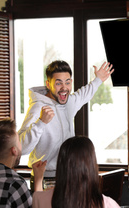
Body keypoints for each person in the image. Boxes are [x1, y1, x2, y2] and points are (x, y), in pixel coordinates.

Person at [18, 60, 114, 188]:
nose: (64, 88)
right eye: (58, 83)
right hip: (45, 179)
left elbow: (84, 94)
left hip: (69, 175)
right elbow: (21, 148)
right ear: (48, 84)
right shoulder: (38, 108)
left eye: (67, 82)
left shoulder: (69, 102)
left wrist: (98, 79)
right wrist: (41, 123)